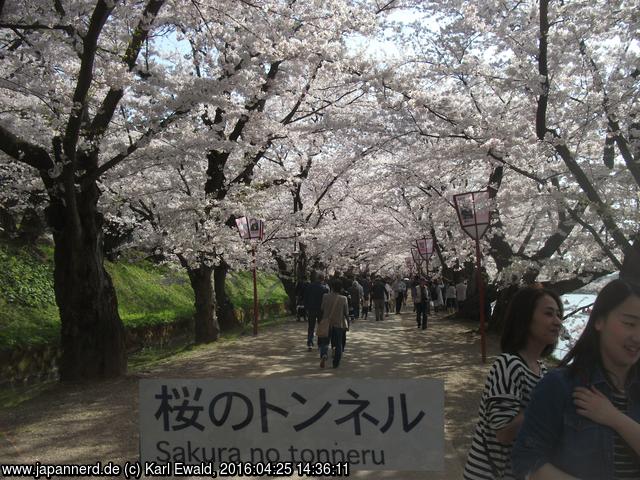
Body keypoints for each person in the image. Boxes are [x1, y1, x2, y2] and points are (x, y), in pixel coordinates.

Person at [512, 279, 640, 479]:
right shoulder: (560, 385)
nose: (638, 336)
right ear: (599, 321)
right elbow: (526, 461)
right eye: (629, 324)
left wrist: (615, 419)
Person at [463, 287, 563, 480]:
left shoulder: (540, 369)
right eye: (549, 314)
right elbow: (503, 433)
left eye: (559, 315)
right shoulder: (508, 364)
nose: (557, 322)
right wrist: (548, 401)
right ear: (525, 317)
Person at [317, 278, 349, 369]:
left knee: (325, 342)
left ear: (332, 287)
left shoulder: (325, 296)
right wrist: (348, 323)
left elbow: (322, 308)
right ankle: (336, 363)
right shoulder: (344, 298)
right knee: (338, 344)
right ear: (341, 288)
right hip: (338, 324)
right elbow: (346, 313)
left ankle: (324, 354)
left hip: (327, 323)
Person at [303, 271, 329, 351]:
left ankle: (310, 343)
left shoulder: (310, 286)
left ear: (316, 278)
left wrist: (306, 308)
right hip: (321, 310)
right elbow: (326, 301)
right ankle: (320, 344)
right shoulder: (325, 288)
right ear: (323, 279)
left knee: (311, 327)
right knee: (320, 327)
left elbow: (306, 298)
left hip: (311, 309)